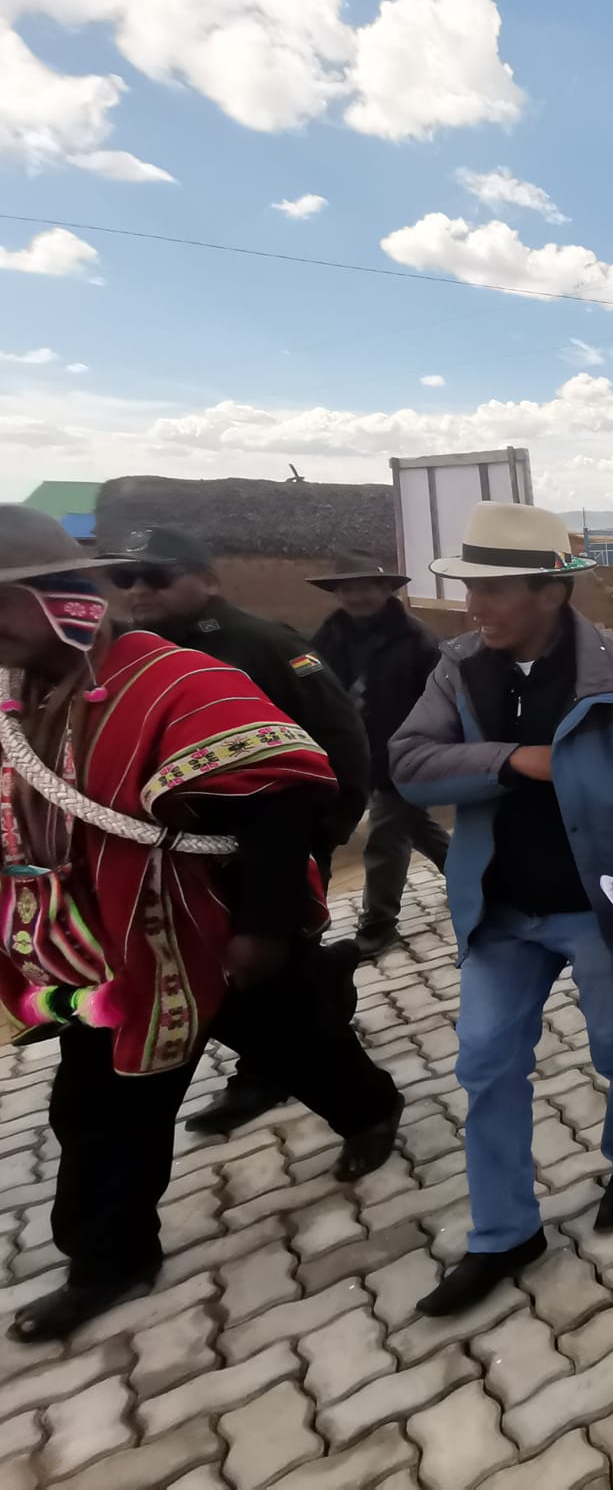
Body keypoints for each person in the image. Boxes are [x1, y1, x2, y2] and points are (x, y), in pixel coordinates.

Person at [0, 509, 400, 1342]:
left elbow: (283, 794)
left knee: (268, 1051)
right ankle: (111, 1257)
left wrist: (261, 923)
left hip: (206, 923)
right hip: (105, 946)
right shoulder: (23, 697)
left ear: (53, 600)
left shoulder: (174, 677)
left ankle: (368, 1113)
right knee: (115, 1094)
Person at [389, 504, 613, 1316]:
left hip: (597, 908)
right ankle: (505, 1233)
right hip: (500, 914)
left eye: (493, 590)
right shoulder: (457, 670)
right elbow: (410, 766)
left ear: (548, 591)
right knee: (487, 1061)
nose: (474, 608)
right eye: (470, 589)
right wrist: (512, 761)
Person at [113, 527, 378, 1140]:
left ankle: (333, 1086)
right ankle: (274, 1060)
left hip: (267, 852)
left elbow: (341, 739)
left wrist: (325, 833)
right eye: (127, 578)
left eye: (157, 575)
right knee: (247, 984)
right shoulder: (130, 657)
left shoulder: (260, 644)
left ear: (206, 579)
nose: (139, 589)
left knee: (276, 976)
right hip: (174, 862)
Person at [307, 550, 451, 956]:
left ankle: (378, 923)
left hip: (407, 753)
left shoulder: (419, 639)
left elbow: (441, 699)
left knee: (386, 836)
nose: (359, 596)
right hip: (356, 752)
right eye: (348, 588)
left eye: (368, 586)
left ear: (387, 589)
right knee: (416, 826)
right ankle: (477, 879)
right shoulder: (327, 636)